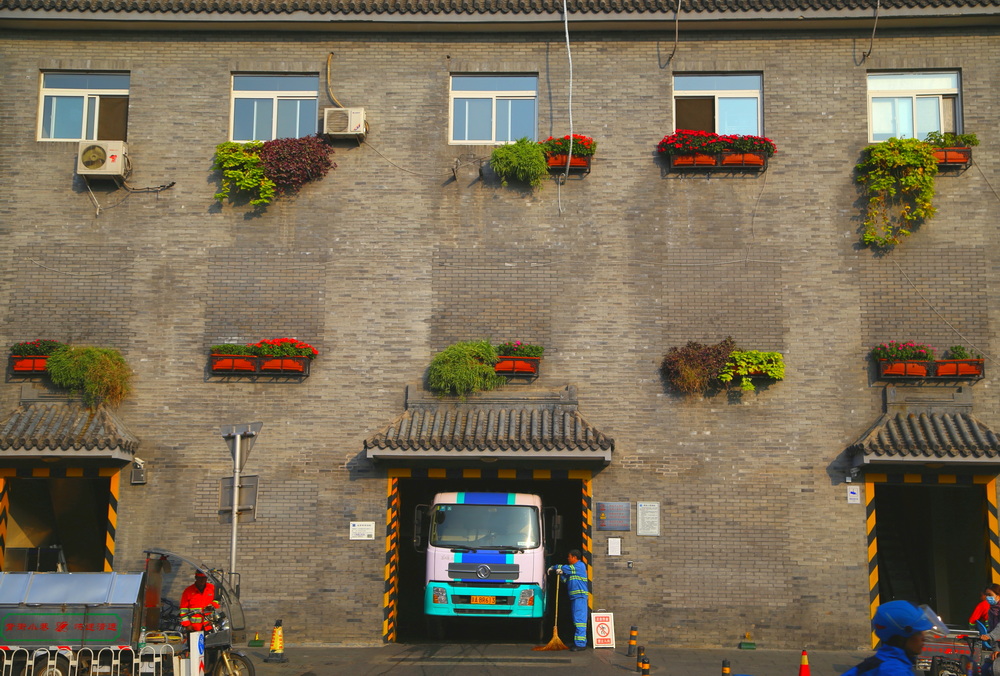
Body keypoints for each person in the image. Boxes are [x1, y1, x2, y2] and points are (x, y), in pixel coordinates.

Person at [841, 600, 944, 675]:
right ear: (902, 636)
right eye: (918, 633)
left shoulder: (881, 662)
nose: (923, 637)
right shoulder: (893, 671)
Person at [549, 549, 590, 651]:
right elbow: (565, 580)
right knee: (576, 620)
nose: (568, 558)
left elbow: (565, 568)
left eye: (569, 557)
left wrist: (555, 567)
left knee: (580, 621)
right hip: (575, 598)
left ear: (574, 557)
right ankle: (578, 642)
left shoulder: (579, 566)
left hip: (580, 597)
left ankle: (581, 644)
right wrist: (561, 574)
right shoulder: (573, 570)